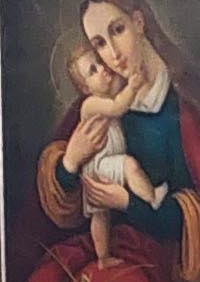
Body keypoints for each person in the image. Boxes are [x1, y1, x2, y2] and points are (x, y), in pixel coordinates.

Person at [19, 0, 200, 282]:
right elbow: (67, 196)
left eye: (117, 30)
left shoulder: (184, 108)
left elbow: (194, 218)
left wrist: (126, 202)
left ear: (139, 22)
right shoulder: (104, 102)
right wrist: (71, 161)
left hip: (162, 257)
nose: (112, 53)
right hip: (107, 242)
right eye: (99, 43)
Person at [65, 42, 167, 264]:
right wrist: (133, 86)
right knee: (130, 166)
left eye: (99, 62)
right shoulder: (90, 104)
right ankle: (152, 198)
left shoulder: (106, 94)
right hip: (101, 163)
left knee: (101, 216)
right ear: (85, 88)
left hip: (102, 163)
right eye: (93, 71)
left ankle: (103, 258)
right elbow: (117, 107)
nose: (102, 69)